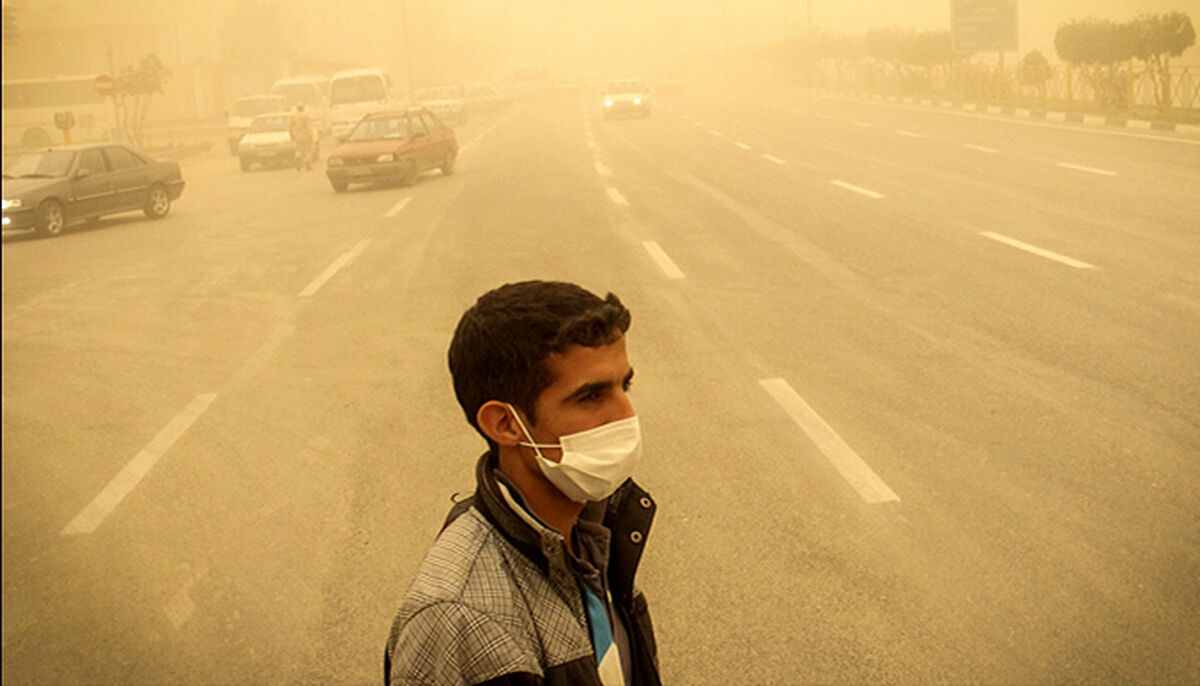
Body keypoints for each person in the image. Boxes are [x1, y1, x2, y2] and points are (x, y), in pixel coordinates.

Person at [385, 281, 662, 686]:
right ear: (505, 424)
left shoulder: (592, 540)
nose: (626, 414)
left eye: (625, 386)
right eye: (590, 397)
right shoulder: (461, 619)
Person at [288, 103, 315, 171]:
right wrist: (311, 136)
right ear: (303, 108)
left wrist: (292, 136)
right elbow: (308, 127)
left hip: (297, 137)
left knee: (298, 151)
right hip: (305, 136)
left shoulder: (294, 116)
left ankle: (298, 164)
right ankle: (308, 166)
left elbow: (290, 127)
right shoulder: (306, 116)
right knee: (307, 151)